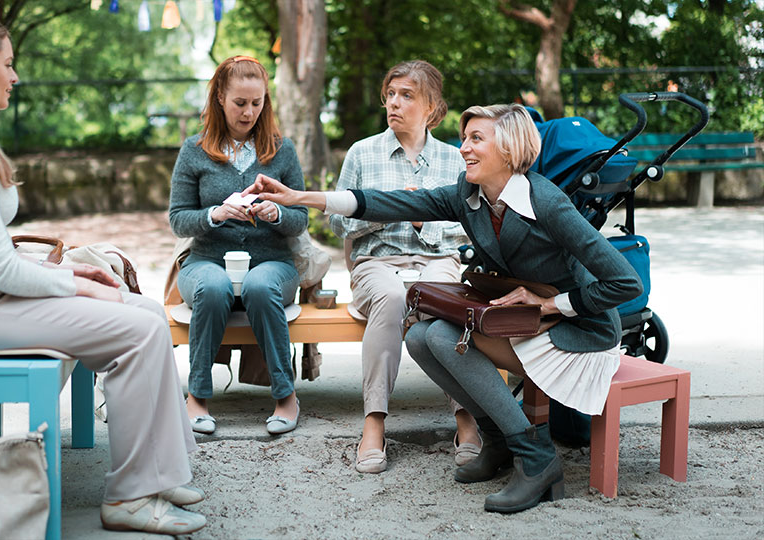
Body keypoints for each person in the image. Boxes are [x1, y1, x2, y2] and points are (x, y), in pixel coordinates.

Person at [246, 103, 642, 513]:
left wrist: (550, 303)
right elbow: (390, 202)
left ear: (508, 149)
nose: (463, 148)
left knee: (438, 333)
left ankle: (537, 458)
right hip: (526, 323)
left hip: (581, 331)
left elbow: (624, 282)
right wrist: (300, 197)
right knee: (418, 335)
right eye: (463, 137)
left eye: (476, 139)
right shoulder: (469, 194)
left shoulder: (547, 201)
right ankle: (498, 438)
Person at [0, 11, 205, 534]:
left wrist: (77, 279)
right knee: (134, 329)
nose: (15, 76)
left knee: (147, 311)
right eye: (8, 64)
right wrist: (78, 283)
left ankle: (156, 471)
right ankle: (130, 498)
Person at [330, 60, 480, 473]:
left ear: (432, 107)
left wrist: (422, 222)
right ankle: (374, 421)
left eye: (407, 95)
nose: (394, 103)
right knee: (395, 297)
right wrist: (388, 209)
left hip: (437, 260)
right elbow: (337, 221)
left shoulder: (456, 160)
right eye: (391, 94)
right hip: (376, 262)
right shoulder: (363, 153)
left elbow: (467, 233)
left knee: (443, 302)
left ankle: (466, 417)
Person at [169, 55, 307, 436]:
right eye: (240, 103)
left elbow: (301, 219)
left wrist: (275, 214)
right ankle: (196, 396)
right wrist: (216, 213)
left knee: (261, 287)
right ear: (219, 99)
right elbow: (178, 219)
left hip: (273, 263)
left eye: (257, 103)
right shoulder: (194, 150)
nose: (249, 113)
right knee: (212, 289)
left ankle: (285, 396)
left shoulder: (283, 150)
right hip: (206, 261)